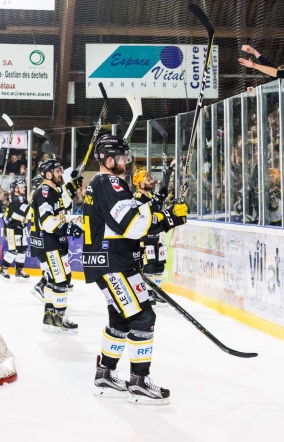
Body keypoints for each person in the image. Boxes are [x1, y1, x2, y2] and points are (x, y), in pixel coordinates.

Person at [82, 134, 187, 404]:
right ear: (108, 160)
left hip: (113, 263)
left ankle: (105, 373)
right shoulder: (109, 182)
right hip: (113, 264)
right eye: (121, 157)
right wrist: (168, 219)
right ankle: (139, 381)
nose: (126, 162)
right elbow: (132, 225)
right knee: (142, 318)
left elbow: (132, 219)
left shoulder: (105, 183)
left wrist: (163, 216)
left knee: (120, 319)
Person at [30, 160, 83, 332]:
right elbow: (47, 222)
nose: (60, 173)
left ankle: (49, 314)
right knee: (61, 280)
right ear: (47, 174)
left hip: (56, 241)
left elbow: (63, 207)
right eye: (57, 171)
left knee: (55, 279)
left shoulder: (53, 190)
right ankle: (59, 317)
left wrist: (73, 186)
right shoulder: (44, 191)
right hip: (51, 242)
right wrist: (69, 227)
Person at [131, 169, 168, 307]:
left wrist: (163, 196)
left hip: (156, 237)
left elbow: (157, 208)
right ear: (140, 184)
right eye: (147, 180)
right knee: (149, 265)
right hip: (144, 239)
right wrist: (159, 198)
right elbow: (149, 211)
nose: (150, 181)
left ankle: (158, 292)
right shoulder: (137, 198)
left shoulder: (151, 196)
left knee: (159, 265)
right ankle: (147, 294)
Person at [0, 179, 31, 280]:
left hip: (19, 227)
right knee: (13, 250)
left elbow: (25, 214)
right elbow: (16, 214)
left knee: (22, 249)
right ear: (16, 189)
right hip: (11, 228)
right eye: (22, 187)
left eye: (24, 186)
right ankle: (3, 269)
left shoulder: (21, 199)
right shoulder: (16, 199)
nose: (24, 188)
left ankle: (19, 270)